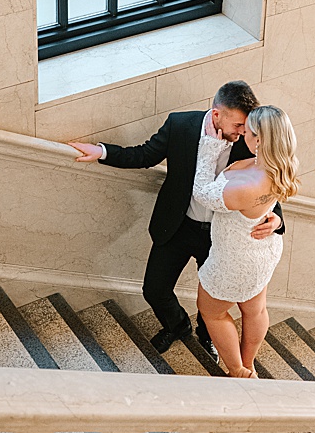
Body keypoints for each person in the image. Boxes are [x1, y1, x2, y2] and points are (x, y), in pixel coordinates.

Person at [70, 79, 283, 354]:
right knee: (154, 290)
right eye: (238, 126)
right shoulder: (181, 125)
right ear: (217, 114)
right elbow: (145, 155)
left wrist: (277, 217)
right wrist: (102, 152)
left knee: (213, 302)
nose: (244, 133)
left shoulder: (250, 139)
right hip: (177, 226)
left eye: (247, 127)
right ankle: (178, 326)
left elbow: (268, 175)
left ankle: (210, 336)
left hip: (221, 237)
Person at [189, 105, 298, 377]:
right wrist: (276, 218)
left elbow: (202, 192)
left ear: (259, 139)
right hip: (262, 250)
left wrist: (210, 145)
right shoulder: (281, 165)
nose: (242, 134)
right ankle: (248, 364)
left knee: (210, 312)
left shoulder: (247, 186)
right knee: (255, 309)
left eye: (247, 131)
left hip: (236, 259)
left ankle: (238, 370)